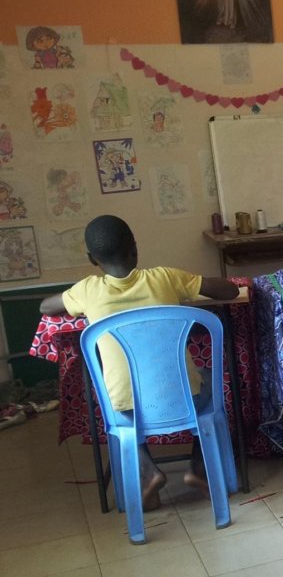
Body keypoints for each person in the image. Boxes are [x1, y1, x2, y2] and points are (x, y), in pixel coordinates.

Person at [40, 215, 238, 510]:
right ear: (135, 249)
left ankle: (148, 471)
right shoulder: (166, 278)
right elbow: (229, 291)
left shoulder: (87, 290)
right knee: (206, 377)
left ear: (92, 259)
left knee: (121, 390)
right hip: (184, 400)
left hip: (124, 407)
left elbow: (46, 306)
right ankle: (197, 468)